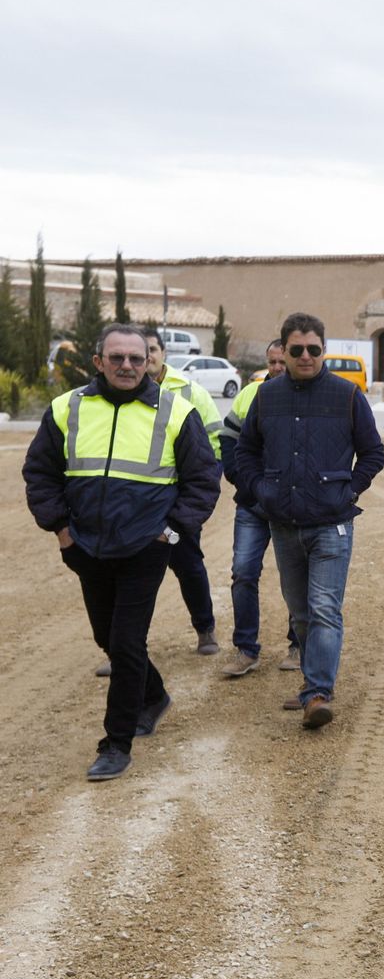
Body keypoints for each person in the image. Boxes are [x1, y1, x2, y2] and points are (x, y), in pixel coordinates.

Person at [24, 324, 221, 780]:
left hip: (146, 549)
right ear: (99, 362)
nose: (127, 365)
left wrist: (170, 534)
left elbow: (202, 481)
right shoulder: (67, 408)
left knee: (126, 643)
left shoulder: (176, 412)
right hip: (85, 547)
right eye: (117, 358)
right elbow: (40, 472)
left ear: (148, 362)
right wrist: (61, 531)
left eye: (136, 358)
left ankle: (117, 742)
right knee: (107, 637)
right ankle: (154, 697)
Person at [236, 312, 384, 727]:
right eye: (297, 349)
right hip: (283, 523)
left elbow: (373, 453)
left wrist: (348, 490)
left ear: (324, 350)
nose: (306, 356)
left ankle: (318, 692)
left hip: (331, 522)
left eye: (314, 349)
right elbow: (245, 451)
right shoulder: (266, 397)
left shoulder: (347, 396)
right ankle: (311, 683)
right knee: (300, 612)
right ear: (283, 351)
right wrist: (260, 489)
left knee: (323, 608)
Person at [130, 326, 224, 660]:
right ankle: (124, 647)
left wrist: (199, 489)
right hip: (135, 504)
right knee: (131, 577)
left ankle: (205, 628)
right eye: (144, 351)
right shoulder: (121, 394)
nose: (148, 356)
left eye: (153, 349)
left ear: (162, 353)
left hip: (178, 502)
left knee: (187, 565)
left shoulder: (189, 391)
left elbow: (214, 442)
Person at [217, 339, 299, 676]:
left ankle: (298, 645)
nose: (278, 368)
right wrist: (244, 483)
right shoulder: (250, 395)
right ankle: (246, 649)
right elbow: (228, 440)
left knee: (296, 580)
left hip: (293, 507)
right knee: (243, 573)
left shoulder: (304, 397)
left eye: (283, 361)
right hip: (252, 504)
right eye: (272, 362)